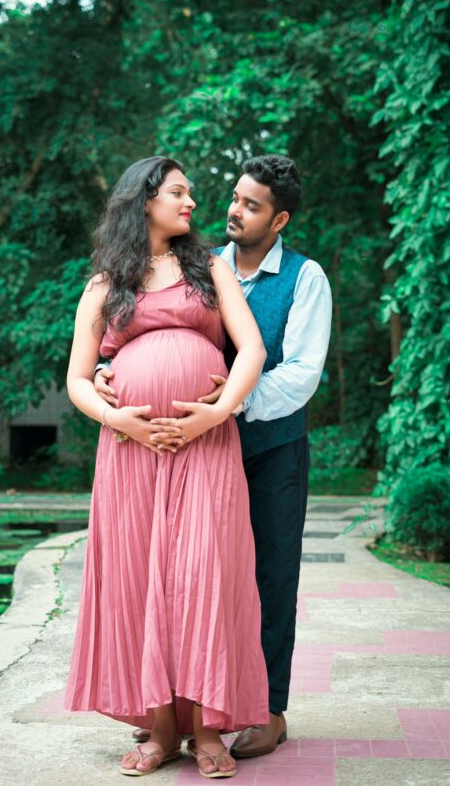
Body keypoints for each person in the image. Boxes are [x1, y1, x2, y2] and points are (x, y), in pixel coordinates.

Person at [97, 154, 332, 759]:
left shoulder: (305, 278)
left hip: (267, 446)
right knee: (183, 577)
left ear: (277, 220)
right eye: (233, 197)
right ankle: (173, 708)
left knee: (268, 577)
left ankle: (268, 709)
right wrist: (108, 372)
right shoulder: (200, 264)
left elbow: (301, 375)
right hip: (189, 451)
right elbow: (134, 327)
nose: (232, 209)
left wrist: (226, 407)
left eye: (250, 206)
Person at [63, 155, 270, 778]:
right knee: (140, 580)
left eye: (191, 194)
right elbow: (76, 378)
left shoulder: (209, 269)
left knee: (204, 574)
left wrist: (217, 414)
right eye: (179, 192)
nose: (192, 204)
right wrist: (117, 418)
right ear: (144, 199)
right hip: (130, 453)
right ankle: (159, 729)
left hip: (206, 445)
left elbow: (252, 348)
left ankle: (208, 729)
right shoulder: (105, 283)